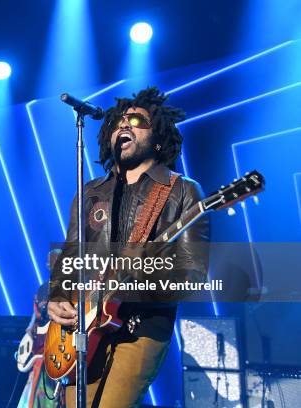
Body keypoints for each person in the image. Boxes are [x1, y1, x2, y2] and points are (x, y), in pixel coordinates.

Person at [48, 87, 210, 407]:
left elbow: (192, 275)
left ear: (159, 138)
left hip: (141, 327)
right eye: (117, 122)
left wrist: (130, 285)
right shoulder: (91, 191)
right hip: (81, 325)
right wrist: (57, 298)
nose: (124, 125)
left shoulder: (182, 191)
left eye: (137, 119)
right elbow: (70, 256)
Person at [18, 249, 65, 408]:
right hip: (39, 345)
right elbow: (35, 314)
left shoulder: (69, 287)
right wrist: (29, 331)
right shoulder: (43, 289)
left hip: (57, 344)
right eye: (51, 261)